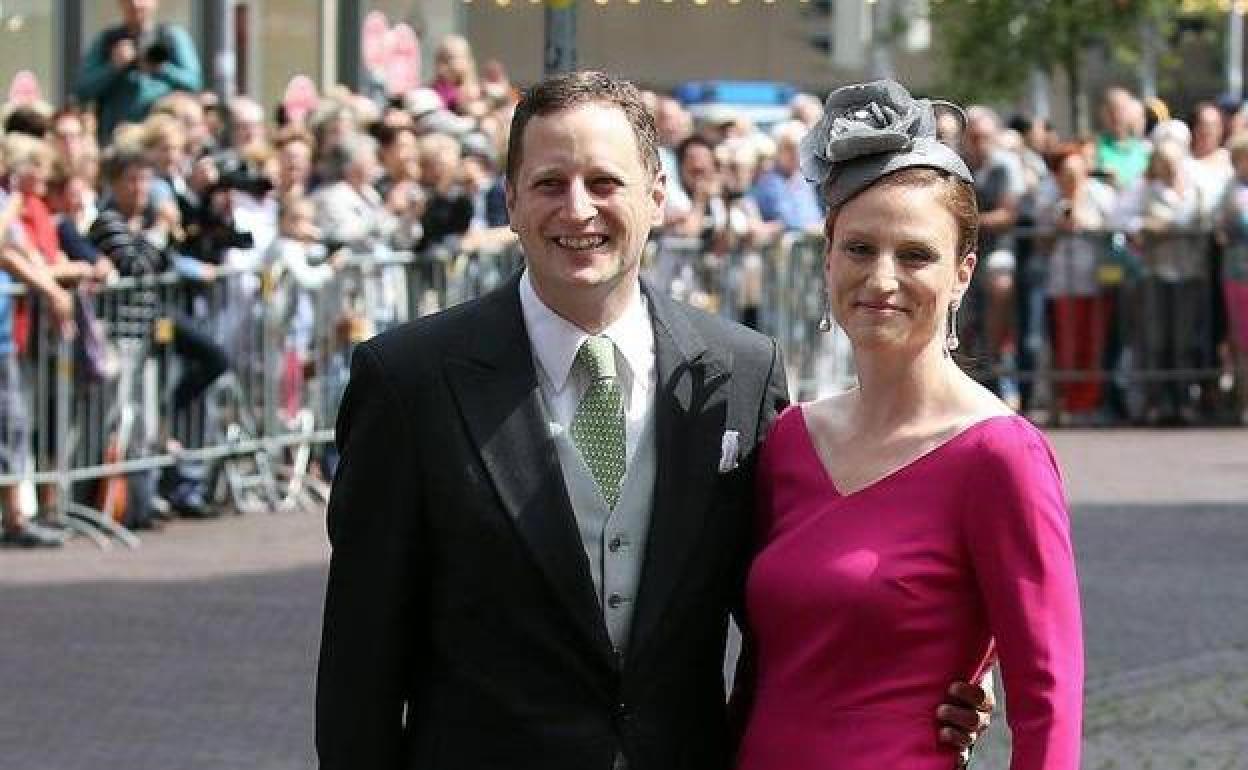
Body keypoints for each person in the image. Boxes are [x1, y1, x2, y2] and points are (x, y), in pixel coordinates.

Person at [316, 70, 990, 770]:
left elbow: (789, 608)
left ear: (658, 197)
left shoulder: (741, 369)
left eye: (604, 183)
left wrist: (931, 678)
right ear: (511, 201)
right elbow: (358, 667)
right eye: (550, 184)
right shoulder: (409, 382)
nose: (578, 210)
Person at [736, 80, 1083, 770]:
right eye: (860, 249)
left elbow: (1049, 695)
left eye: (916, 255)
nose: (883, 278)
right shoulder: (788, 440)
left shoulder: (999, 454)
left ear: (962, 274)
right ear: (828, 257)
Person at [74, 0, 203, 144]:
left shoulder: (171, 37)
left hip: (163, 140)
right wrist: (114, 66)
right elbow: (82, 90)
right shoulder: (107, 40)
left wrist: (161, 69)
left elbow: (194, 82)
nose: (135, 4)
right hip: (117, 139)